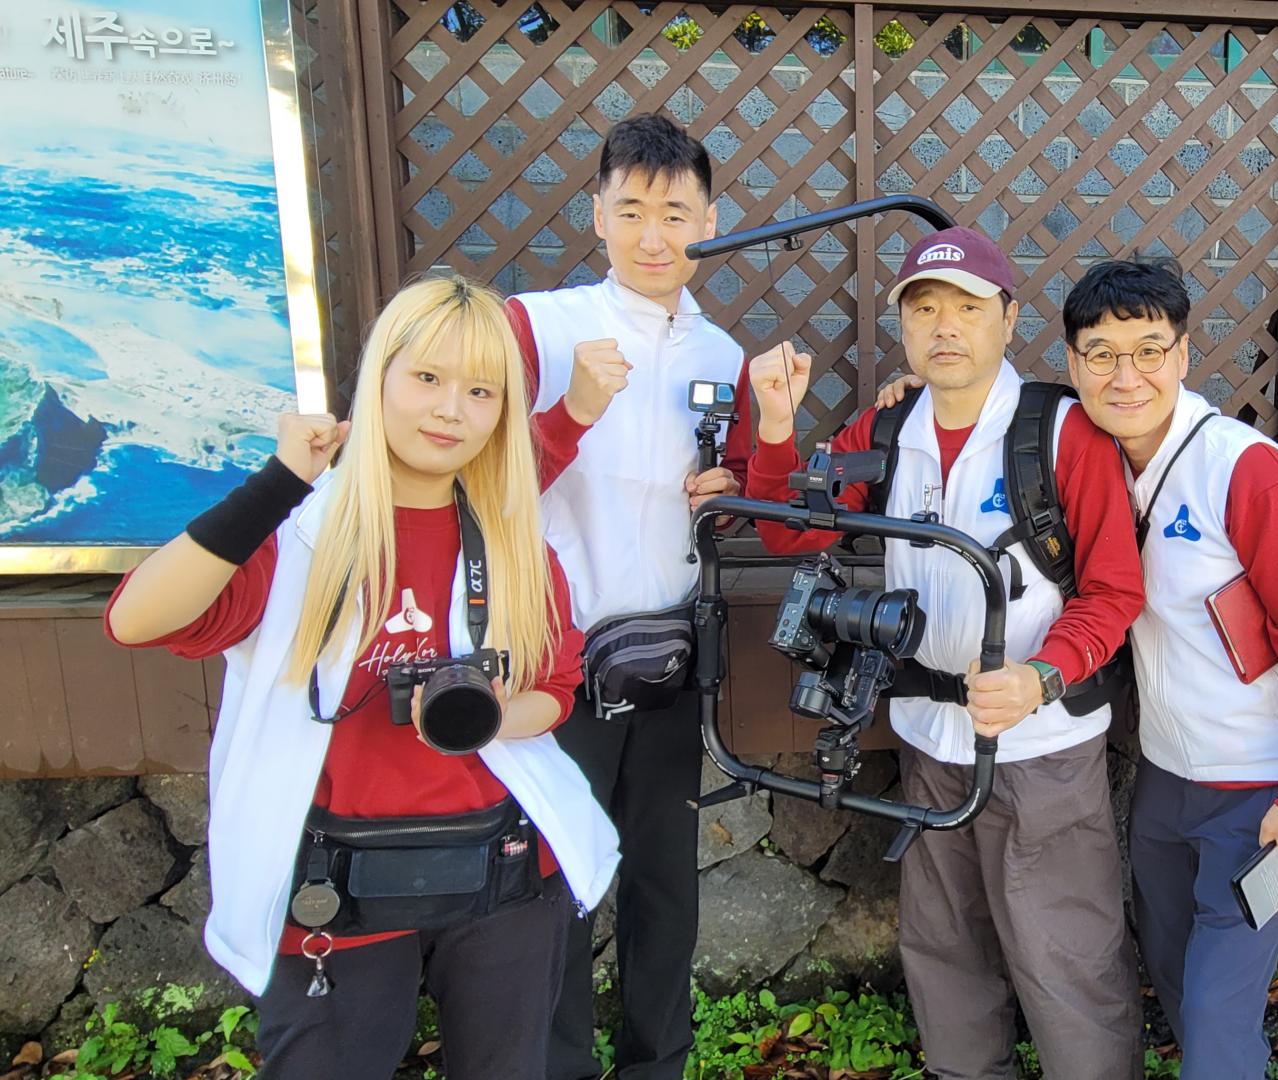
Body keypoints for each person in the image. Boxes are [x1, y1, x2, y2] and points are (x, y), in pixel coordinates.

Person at [103, 276, 618, 1080]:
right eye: (427, 378)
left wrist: (485, 716)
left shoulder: (513, 540)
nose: (450, 410)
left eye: (481, 391)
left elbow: (553, 687)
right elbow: (136, 619)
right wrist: (278, 483)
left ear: (502, 412)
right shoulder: (299, 534)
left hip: (506, 873)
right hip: (334, 889)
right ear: (378, 377)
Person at [744, 226, 1146, 1079]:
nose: (945, 327)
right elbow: (792, 532)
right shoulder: (890, 424)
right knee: (943, 943)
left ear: (1008, 317)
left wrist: (1042, 676)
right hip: (931, 738)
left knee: (1065, 950)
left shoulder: (1060, 432)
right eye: (924, 309)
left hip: (1043, 746)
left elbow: (1115, 591)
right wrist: (776, 428)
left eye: (967, 306)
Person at [502, 112, 750, 1080]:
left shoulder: (722, 354)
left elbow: (734, 498)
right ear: (596, 214)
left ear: (710, 222)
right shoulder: (538, 325)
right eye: (632, 210)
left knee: (664, 885)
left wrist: (730, 489)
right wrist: (569, 413)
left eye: (676, 214)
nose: (655, 236)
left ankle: (660, 1063)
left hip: (670, 656)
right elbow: (478, 485)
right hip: (553, 664)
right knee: (552, 884)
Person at [1061, 259, 1278, 1078]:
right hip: (1163, 781)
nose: (1126, 377)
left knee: (1220, 1017)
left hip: (1257, 792)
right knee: (1178, 984)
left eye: (1149, 351)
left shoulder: (1247, 471)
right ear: (1074, 365)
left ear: (1184, 354)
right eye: (1102, 354)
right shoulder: (1085, 453)